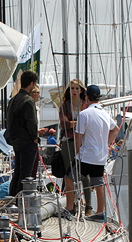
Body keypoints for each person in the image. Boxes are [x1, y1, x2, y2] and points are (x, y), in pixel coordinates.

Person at [64, 85, 119, 216]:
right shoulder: (105, 114)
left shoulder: (84, 114)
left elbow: (78, 136)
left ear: (86, 97)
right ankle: (100, 212)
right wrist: (106, 144)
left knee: (69, 178)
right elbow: (115, 129)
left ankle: (70, 208)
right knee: (99, 182)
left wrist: (77, 151)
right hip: (100, 157)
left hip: (86, 156)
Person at [6, 70, 48, 195]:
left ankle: (13, 198)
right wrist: (35, 137)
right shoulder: (28, 101)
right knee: (26, 173)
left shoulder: (13, 100)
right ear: (31, 83)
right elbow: (32, 122)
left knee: (18, 172)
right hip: (27, 142)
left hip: (16, 141)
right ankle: (21, 201)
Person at [59, 79, 92, 214]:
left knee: (85, 174)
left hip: (84, 142)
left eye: (77, 88)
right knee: (69, 174)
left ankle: (88, 206)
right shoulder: (64, 106)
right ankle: (71, 205)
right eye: (72, 88)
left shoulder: (86, 105)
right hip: (68, 142)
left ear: (81, 91)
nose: (74, 91)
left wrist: (74, 123)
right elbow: (64, 124)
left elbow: (89, 122)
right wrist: (79, 123)